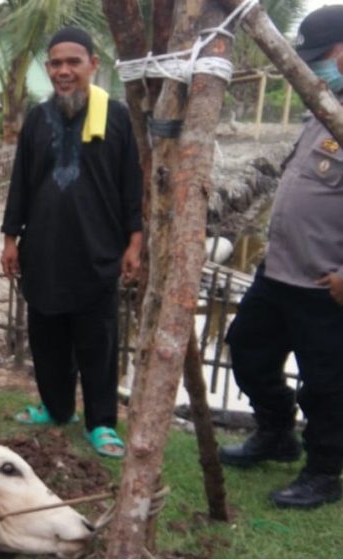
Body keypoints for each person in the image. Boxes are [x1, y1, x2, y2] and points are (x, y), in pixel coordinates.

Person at [218, 5, 343, 509]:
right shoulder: (325, 108)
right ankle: (275, 432)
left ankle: (323, 472)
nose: (312, 69)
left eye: (321, 58)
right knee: (246, 349)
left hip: (324, 283)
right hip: (279, 272)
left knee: (328, 387)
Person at [0, 27, 142, 458]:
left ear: (93, 65)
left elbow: (131, 186)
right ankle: (57, 408)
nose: (64, 71)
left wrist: (134, 242)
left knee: (97, 341)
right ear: (48, 68)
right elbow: (21, 183)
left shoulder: (115, 117)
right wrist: (11, 239)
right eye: (56, 63)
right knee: (46, 337)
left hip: (97, 251)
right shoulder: (37, 120)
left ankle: (101, 423)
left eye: (73, 62)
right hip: (43, 250)